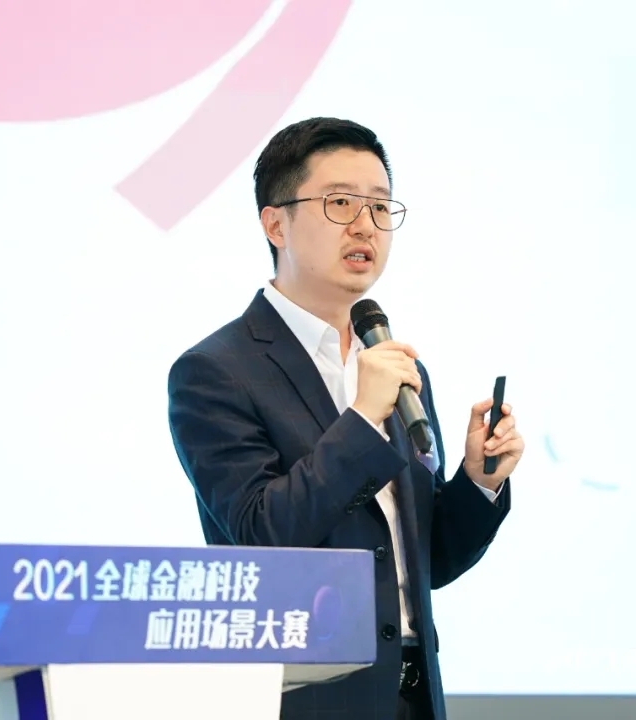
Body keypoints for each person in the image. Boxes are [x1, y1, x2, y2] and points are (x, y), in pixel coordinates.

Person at [167, 117, 524, 720]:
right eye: (340, 203)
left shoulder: (395, 365)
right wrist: (361, 418)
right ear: (275, 224)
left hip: (414, 697)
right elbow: (261, 536)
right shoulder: (215, 371)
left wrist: (478, 482)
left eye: (381, 207)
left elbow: (425, 563)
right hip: (306, 701)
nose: (366, 225)